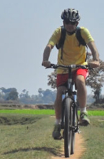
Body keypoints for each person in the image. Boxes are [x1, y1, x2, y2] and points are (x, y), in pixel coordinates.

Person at [42, 8, 100, 140]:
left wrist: (96, 60)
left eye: (73, 23)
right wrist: (45, 60)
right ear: (63, 22)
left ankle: (83, 112)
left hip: (80, 65)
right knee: (59, 94)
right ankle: (57, 124)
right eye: (67, 22)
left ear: (77, 24)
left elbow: (93, 47)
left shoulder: (83, 32)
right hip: (63, 67)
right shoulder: (59, 32)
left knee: (80, 81)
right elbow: (49, 46)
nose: (70, 25)